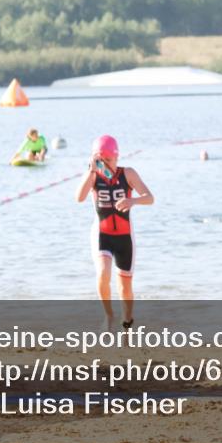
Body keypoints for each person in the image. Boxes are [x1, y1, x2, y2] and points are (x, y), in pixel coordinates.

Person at [76, 135, 154, 331]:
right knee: (103, 273)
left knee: (125, 287)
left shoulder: (128, 174)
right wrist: (90, 171)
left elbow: (150, 197)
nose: (107, 165)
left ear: (117, 157)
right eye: (102, 160)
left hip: (124, 237)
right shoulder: (94, 176)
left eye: (110, 160)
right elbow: (79, 197)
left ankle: (127, 321)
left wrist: (133, 201)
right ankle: (108, 315)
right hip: (102, 234)